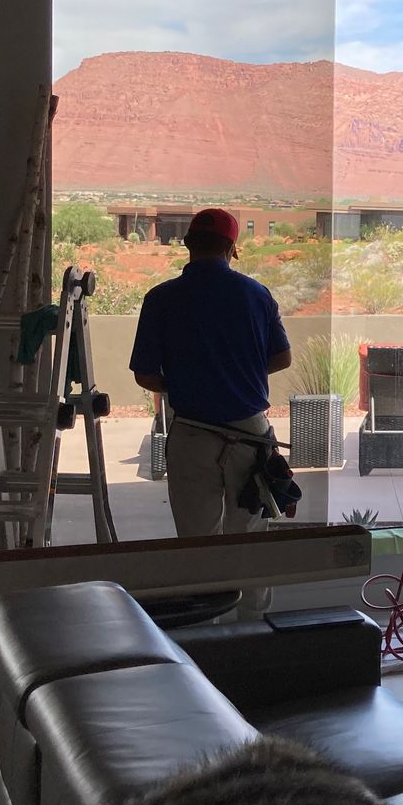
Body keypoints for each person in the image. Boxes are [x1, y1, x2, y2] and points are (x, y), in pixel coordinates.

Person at [129, 208, 291, 618]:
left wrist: (182, 382)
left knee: (198, 546)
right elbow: (282, 357)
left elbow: (146, 375)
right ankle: (255, 638)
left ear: (187, 244)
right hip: (250, 437)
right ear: (231, 248)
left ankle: (208, 637)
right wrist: (241, 372)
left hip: (193, 435)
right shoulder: (256, 294)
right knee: (249, 543)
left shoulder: (162, 299)